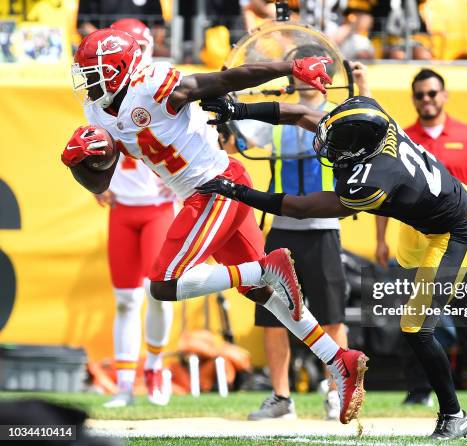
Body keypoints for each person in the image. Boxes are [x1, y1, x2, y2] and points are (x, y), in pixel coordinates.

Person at [60, 28, 367, 425]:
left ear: (118, 70)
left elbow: (225, 80)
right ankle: (338, 359)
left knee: (165, 283)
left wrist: (288, 67)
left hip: (215, 186)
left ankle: (264, 269)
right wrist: (82, 163)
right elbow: (101, 180)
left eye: (94, 72)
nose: (88, 81)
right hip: (207, 192)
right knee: (264, 292)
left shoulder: (154, 86)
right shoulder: (100, 111)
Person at [198, 95, 467, 439]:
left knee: (415, 327)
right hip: (430, 215)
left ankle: (454, 415)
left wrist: (237, 191)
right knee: (407, 260)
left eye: (335, 144)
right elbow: (301, 113)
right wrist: (239, 110)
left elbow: (301, 208)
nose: (325, 144)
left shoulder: (372, 182)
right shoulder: (372, 130)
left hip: (453, 229)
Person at [375, 68, 467, 406]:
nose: (427, 99)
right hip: (415, 243)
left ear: (445, 95)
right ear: (413, 99)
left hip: (460, 241)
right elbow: (383, 196)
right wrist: (380, 240)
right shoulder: (401, 139)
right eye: (420, 94)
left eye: (432, 93)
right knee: (415, 316)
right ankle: (419, 390)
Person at [245, 50, 371, 422]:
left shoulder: (340, 113)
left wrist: (364, 90)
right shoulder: (280, 113)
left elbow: (375, 130)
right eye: (297, 70)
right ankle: (281, 397)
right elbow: (238, 134)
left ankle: (336, 391)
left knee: (332, 316)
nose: (302, 77)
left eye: (309, 70)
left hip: (324, 228)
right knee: (272, 316)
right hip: (283, 226)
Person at [96, 18, 174, 408]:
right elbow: (97, 149)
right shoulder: (98, 96)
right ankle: (125, 383)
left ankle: (156, 366)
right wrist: (96, 181)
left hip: (159, 206)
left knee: (156, 293)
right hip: (123, 207)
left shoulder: (159, 84)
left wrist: (178, 177)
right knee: (126, 299)